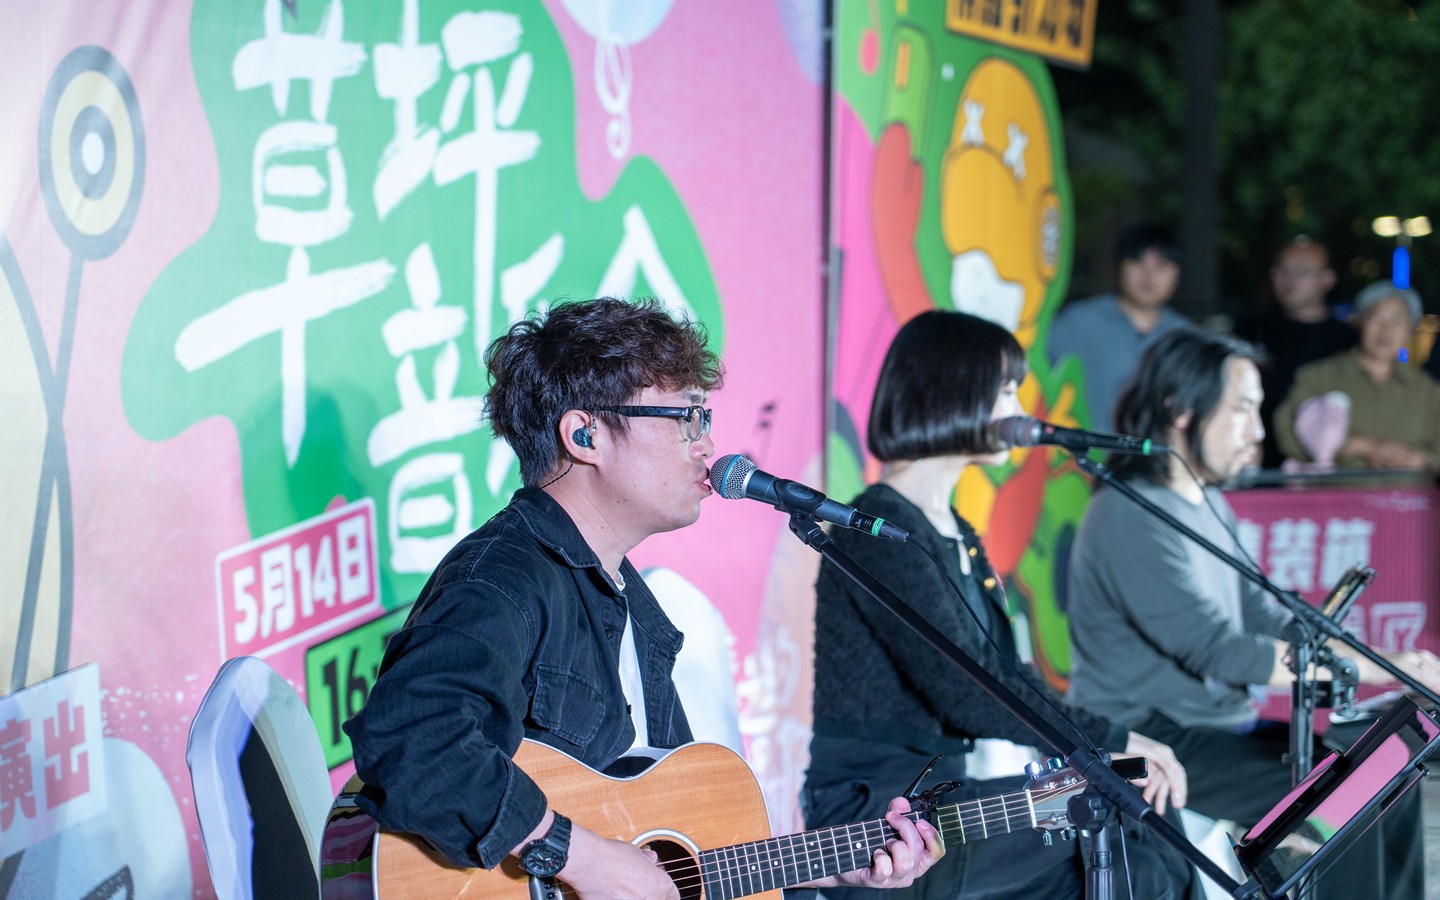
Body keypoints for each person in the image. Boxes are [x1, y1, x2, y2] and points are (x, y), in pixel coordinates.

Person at [344, 298, 943, 899]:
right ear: (585, 435)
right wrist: (578, 858)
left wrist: (834, 864)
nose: (706, 446)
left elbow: (675, 855)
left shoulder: (637, 608)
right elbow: (414, 739)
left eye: (703, 419)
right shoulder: (503, 580)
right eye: (685, 418)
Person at [803, 310, 1194, 900]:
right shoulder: (877, 528)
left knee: (1141, 858)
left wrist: (1103, 745)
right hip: (878, 814)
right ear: (953, 390)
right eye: (1006, 389)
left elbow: (1003, 673)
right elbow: (968, 688)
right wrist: (1111, 739)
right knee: (1122, 800)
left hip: (939, 800)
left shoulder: (955, 530)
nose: (1019, 406)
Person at [1065, 328, 1440, 896]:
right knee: (1346, 804)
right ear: (1181, 409)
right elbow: (1220, 650)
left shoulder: (1208, 502)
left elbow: (1270, 619)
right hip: (1149, 734)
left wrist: (1388, 662)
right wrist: (1383, 670)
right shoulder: (1126, 513)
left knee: (1391, 772)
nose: (1258, 431)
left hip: (1213, 725)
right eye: (1242, 409)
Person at [1273, 280, 1440, 472]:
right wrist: (1355, 446)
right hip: (1339, 490)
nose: (1386, 329)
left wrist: (1421, 459)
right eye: (1376, 317)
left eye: (1397, 320)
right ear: (1359, 322)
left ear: (1410, 331)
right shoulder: (1318, 377)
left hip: (1410, 490)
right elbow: (1285, 432)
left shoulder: (1429, 391)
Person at [1048, 223, 1191, 432]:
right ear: (1118, 266)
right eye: (1137, 261)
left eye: (1162, 264)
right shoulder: (1077, 323)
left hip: (1157, 451)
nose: (1149, 274)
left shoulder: (1186, 338)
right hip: (1082, 449)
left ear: (1178, 272)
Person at [1234, 238, 1357, 468]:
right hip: (1259, 459)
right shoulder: (1249, 332)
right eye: (1282, 270)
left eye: (1303, 271)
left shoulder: (1351, 340)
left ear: (1328, 279)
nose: (1290, 279)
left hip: (1330, 466)